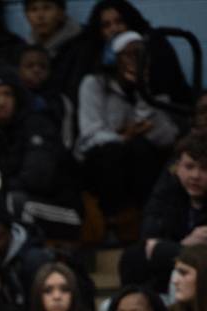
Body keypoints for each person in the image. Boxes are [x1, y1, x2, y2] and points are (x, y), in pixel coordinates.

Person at [75, 31, 179, 230]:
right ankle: (111, 221)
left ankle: (147, 221)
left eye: (141, 54)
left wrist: (142, 90)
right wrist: (124, 136)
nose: (135, 59)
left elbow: (166, 138)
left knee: (142, 149)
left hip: (136, 159)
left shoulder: (153, 87)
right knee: (112, 153)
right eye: (129, 54)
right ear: (114, 58)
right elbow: (90, 134)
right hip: (98, 161)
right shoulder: (93, 84)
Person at [0, 63, 82, 239]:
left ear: (18, 97)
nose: (0, 102)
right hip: (24, 201)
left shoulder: (38, 124)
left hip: (63, 211)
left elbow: (37, 178)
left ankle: (28, 254)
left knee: (15, 202)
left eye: (7, 94)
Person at [118, 130, 207, 293]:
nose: (195, 175)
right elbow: (149, 240)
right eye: (189, 167)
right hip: (164, 278)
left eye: (205, 169)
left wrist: (166, 249)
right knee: (133, 256)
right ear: (177, 167)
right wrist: (184, 246)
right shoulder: (167, 192)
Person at [73, 0, 192, 108]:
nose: (114, 29)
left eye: (119, 21)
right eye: (106, 25)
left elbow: (172, 93)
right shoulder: (91, 60)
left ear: (130, 22)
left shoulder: (155, 45)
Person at [17, 44, 74, 149]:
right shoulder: (12, 98)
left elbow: (67, 141)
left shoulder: (61, 101)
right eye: (30, 65)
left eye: (42, 66)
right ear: (19, 69)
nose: (36, 70)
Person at [23, 0, 82, 98]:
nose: (40, 16)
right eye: (33, 9)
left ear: (61, 12)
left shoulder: (82, 47)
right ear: (26, 15)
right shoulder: (24, 51)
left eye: (47, 8)